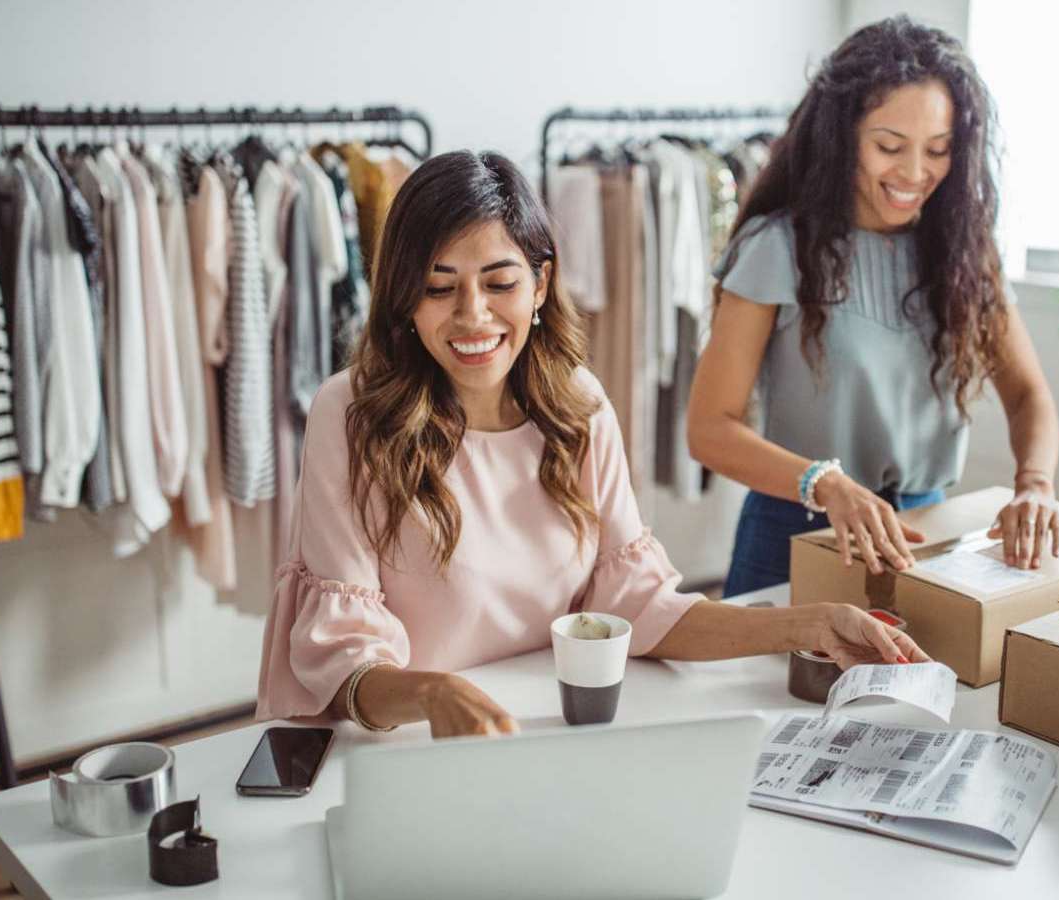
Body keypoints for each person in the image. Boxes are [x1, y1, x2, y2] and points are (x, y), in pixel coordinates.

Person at [256, 150, 927, 738]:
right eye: (438, 287)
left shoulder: (576, 406)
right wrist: (433, 694)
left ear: (541, 284)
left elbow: (639, 604)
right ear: (404, 297)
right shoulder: (350, 413)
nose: (472, 315)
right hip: (406, 742)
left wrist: (806, 626)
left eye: (499, 283)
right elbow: (343, 662)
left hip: (546, 734)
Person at [688, 17, 1059, 597]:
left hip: (926, 536)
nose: (915, 174)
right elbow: (709, 430)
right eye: (890, 147)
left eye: (938, 151)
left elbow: (1028, 394)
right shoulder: (777, 247)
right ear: (842, 139)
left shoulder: (966, 254)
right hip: (798, 530)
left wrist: (1035, 484)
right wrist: (825, 482)